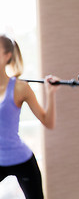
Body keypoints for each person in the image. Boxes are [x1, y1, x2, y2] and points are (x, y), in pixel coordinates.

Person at [0, 35, 60, 199]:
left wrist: (51, 93)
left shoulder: (20, 88)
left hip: (21, 159)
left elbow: (48, 122)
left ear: (7, 56)